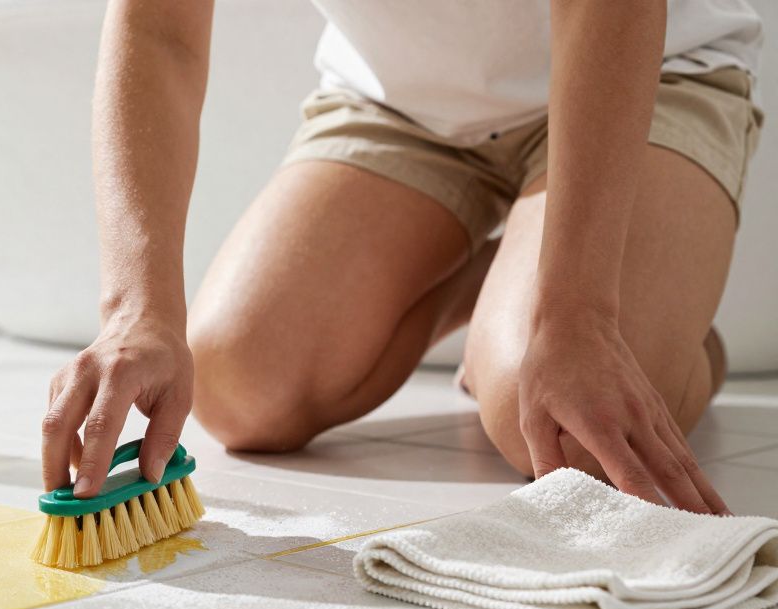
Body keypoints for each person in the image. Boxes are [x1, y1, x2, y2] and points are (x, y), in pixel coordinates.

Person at [40, 0, 763, 515]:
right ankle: (491, 284)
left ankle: (655, 331)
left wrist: (581, 312)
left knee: (555, 432)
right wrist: (137, 307)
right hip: (401, 108)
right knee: (238, 381)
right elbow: (160, 26)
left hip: (646, 73)